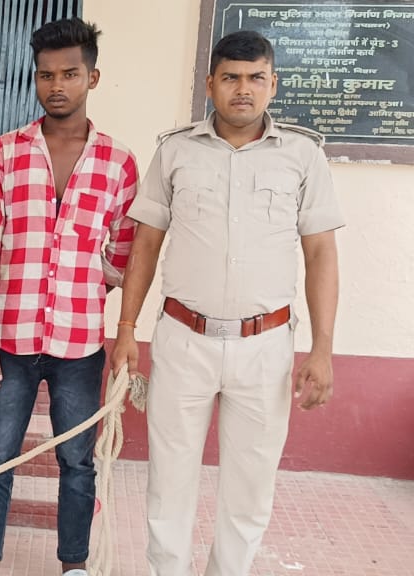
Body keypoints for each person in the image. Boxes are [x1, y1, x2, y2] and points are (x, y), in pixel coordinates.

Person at [109, 30, 344, 576]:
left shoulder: (303, 156)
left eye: (256, 78)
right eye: (231, 78)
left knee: (250, 487)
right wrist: (126, 329)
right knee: (169, 482)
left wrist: (323, 349)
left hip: (265, 347)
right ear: (210, 83)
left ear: (273, 84)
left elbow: (321, 255)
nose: (244, 89)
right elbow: (146, 244)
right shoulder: (175, 151)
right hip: (183, 339)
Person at [0, 18, 139, 576]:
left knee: (77, 461)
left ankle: (74, 566)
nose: (57, 85)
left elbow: (123, 254)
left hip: (80, 345)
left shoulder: (119, 163)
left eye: (70, 73)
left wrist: (83, 288)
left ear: (93, 77)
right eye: (46, 75)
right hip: (9, 341)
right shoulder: (5, 153)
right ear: (35, 78)